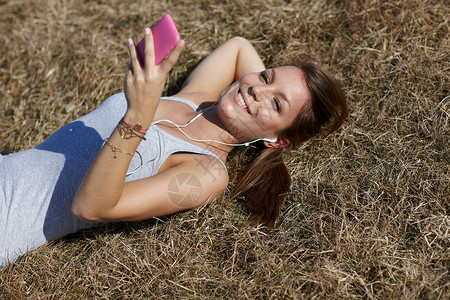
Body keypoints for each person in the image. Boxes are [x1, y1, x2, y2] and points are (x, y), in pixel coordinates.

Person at [0, 29, 348, 268]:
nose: (259, 91)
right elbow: (239, 46)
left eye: (277, 105)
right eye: (266, 77)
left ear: (278, 140)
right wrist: (258, 99)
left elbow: (91, 206)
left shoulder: (207, 173)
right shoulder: (198, 98)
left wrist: (138, 115)